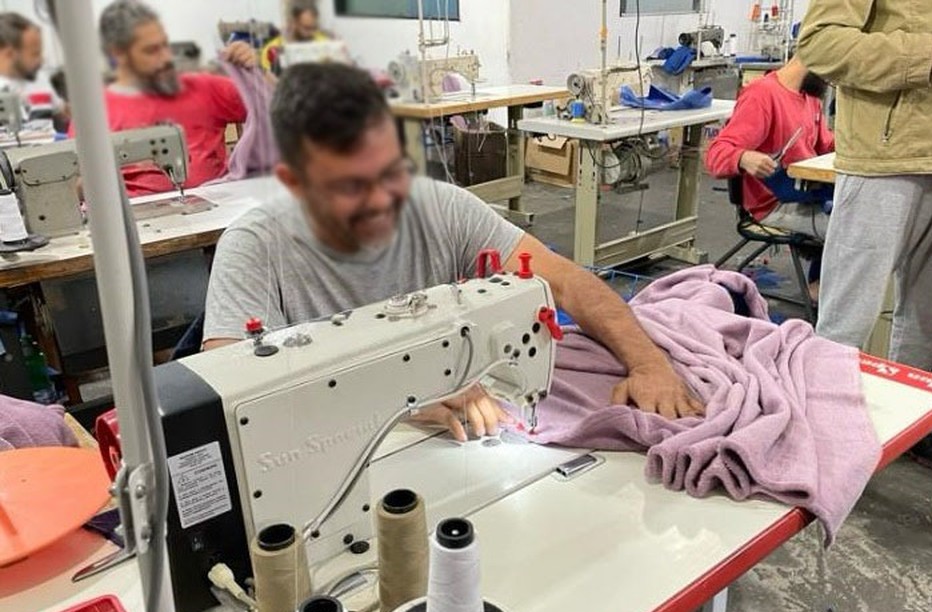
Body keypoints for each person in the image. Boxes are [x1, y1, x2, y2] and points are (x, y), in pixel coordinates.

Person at [203, 62, 704, 440]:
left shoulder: (438, 208)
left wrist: (649, 365)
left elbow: (566, 281)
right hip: (330, 449)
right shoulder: (253, 249)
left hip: (446, 436)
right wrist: (397, 396)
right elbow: (224, 395)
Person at [797, 2, 932, 467]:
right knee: (848, 316)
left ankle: (902, 425)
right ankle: (816, 437)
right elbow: (819, 43)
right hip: (886, 162)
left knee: (931, 314)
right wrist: (923, 55)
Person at [93, 0, 254, 196]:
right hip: (139, 222)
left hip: (218, 214)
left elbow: (276, 110)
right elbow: (80, 181)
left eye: (165, 45)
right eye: (152, 50)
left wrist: (255, 71)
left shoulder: (204, 88)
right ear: (118, 54)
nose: (166, 57)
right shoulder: (95, 113)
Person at [705, 55, 834, 240]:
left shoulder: (810, 97)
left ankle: (821, 269)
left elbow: (826, 144)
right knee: (857, 233)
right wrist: (743, 158)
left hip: (809, 194)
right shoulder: (761, 95)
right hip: (776, 203)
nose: (831, 81)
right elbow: (716, 154)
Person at [0, 12, 67, 133]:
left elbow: (64, 114)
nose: (41, 59)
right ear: (9, 54)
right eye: (35, 54)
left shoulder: (39, 79)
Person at [260, 0, 332, 75]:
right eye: (306, 28)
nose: (311, 33)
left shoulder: (324, 43)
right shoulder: (272, 50)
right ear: (293, 23)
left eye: (314, 28)